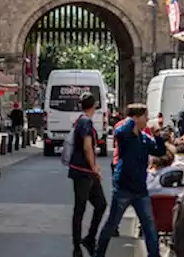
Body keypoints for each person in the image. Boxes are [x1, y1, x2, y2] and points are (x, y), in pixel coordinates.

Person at [93, 105, 167, 257]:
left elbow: (160, 151)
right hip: (123, 188)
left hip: (140, 189)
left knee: (149, 226)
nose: (147, 119)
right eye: (145, 116)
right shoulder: (126, 134)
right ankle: (98, 253)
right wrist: (130, 122)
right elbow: (119, 133)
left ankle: (154, 254)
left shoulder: (144, 138)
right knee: (112, 224)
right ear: (136, 117)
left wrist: (158, 135)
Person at [68, 93, 107, 257]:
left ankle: (90, 237)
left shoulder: (81, 120)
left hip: (85, 171)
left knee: (100, 204)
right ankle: (77, 246)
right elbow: (87, 147)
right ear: (94, 105)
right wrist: (95, 167)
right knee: (80, 208)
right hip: (83, 171)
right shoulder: (85, 122)